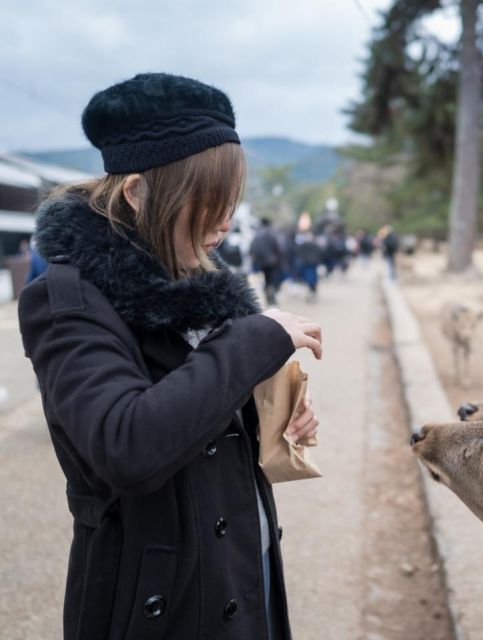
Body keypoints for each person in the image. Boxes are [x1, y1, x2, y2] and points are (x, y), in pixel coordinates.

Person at [17, 73, 321, 640]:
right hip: (152, 602)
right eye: (208, 202)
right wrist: (255, 339)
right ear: (137, 193)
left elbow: (201, 417)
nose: (225, 222)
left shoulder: (198, 281)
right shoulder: (67, 300)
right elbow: (128, 443)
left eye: (231, 202)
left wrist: (269, 419)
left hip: (240, 576)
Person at [250, 218, 283, 305]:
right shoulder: (273, 233)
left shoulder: (257, 234)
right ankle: (272, 297)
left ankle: (268, 297)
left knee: (266, 279)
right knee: (273, 279)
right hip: (273, 261)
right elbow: (279, 247)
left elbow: (252, 248)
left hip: (262, 262)